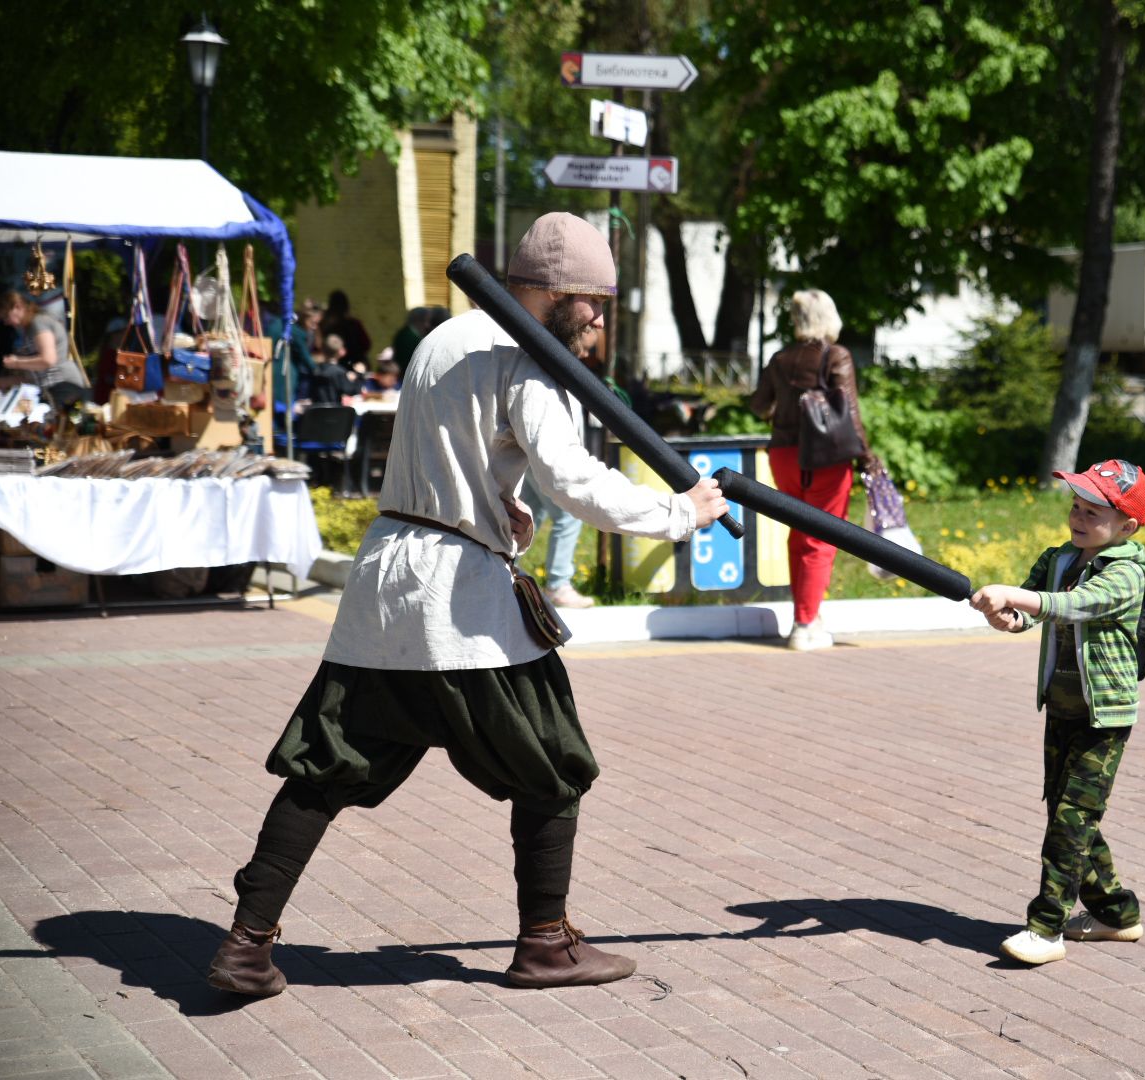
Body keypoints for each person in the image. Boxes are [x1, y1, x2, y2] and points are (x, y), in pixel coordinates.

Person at [206, 212, 729, 997]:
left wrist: (493, 503)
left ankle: (245, 946)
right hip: (458, 606)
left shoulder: (444, 341)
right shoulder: (528, 356)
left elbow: (455, 455)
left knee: (325, 770)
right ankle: (546, 944)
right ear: (544, 291)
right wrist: (680, 513)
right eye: (587, 299)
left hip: (388, 585)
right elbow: (573, 478)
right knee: (554, 766)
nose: (596, 316)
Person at [968, 459, 1145, 967]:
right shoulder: (1059, 560)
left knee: (1070, 823)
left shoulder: (1127, 573)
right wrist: (1003, 614)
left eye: (1092, 511)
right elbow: (1027, 615)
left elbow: (1073, 606)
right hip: (1062, 707)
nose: (1077, 517)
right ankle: (1117, 914)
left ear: (1127, 526)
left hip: (1106, 716)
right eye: (1075, 506)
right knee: (1069, 814)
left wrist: (1021, 599)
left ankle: (1046, 928)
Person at [749, 289, 878, 650]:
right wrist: (867, 456)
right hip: (826, 457)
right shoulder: (836, 355)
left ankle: (809, 615)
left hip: (785, 455)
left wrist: (781, 410)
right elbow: (850, 412)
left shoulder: (779, 358)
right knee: (821, 537)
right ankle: (804, 624)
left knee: (800, 533)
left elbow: (759, 405)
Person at [0, 290, 88, 407]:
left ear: (18, 307)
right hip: (50, 389)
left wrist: (16, 363)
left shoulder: (38, 323)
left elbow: (48, 359)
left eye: (6, 316)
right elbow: (31, 379)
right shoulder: (29, 331)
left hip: (63, 386)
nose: (6, 323)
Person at [321, 289, 372, 365]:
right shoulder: (354, 324)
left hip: (338, 363)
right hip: (356, 362)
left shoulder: (329, 326)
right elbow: (366, 344)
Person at [391, 307, 430, 378]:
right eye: (425, 320)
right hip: (407, 375)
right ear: (418, 320)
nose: (426, 325)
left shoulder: (408, 333)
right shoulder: (409, 336)